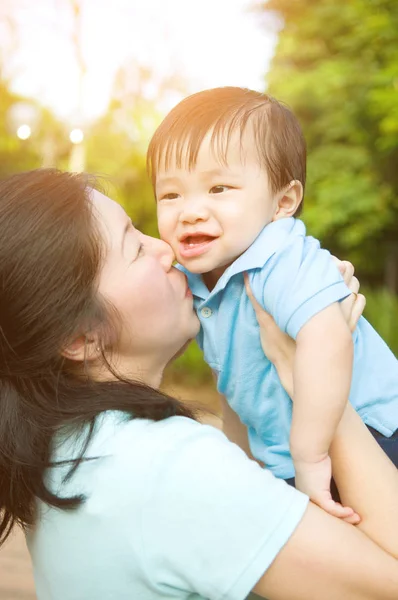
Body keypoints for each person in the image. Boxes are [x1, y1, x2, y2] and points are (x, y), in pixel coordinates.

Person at [0, 169, 398, 600]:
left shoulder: (70, 449)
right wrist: (318, 370)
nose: (165, 250)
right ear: (80, 337)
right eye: (134, 249)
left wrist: (250, 347)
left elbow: (257, 488)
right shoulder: (166, 470)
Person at [148, 86, 398, 517]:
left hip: (372, 434)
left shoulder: (278, 255)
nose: (189, 211)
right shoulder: (200, 278)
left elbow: (328, 338)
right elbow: (233, 385)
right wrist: (244, 464)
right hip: (296, 459)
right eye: (171, 194)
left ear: (283, 202)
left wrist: (310, 454)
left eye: (218, 188)